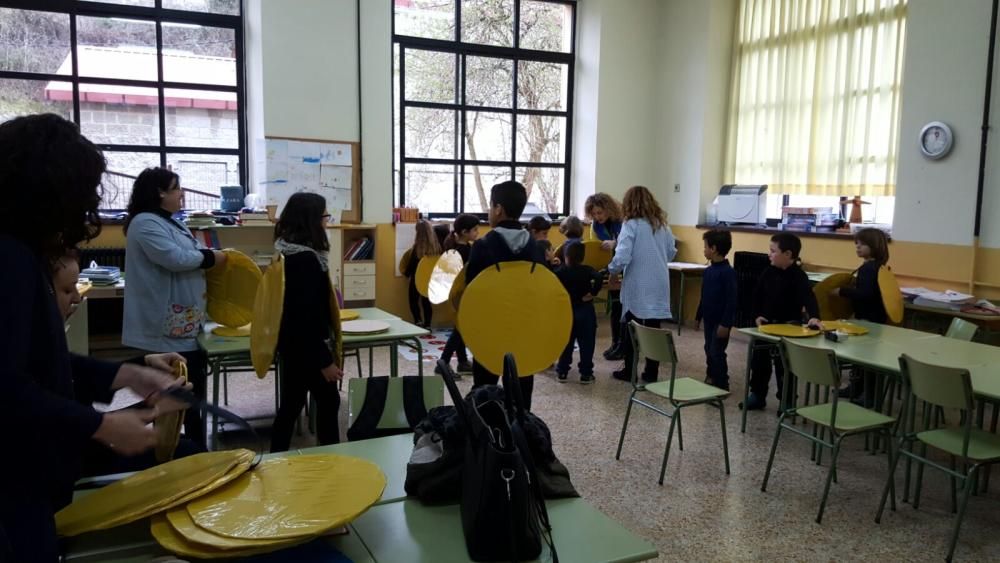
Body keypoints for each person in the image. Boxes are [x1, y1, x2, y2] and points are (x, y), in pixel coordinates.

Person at [0, 113, 186, 562]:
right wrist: (101, 425)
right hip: (12, 483)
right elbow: (5, 388)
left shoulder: (19, 252)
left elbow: (37, 360)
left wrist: (125, 374)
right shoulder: (8, 259)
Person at [52, 251, 204, 476]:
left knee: (190, 451)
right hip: (72, 467)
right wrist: (114, 424)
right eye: (67, 290)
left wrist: (142, 365)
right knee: (192, 458)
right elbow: (64, 421)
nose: (77, 297)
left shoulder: (41, 345)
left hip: (86, 453)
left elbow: (76, 382)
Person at [122, 167, 227, 448]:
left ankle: (193, 446)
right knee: (175, 393)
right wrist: (211, 258)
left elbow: (186, 253)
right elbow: (176, 258)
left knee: (191, 391)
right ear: (160, 192)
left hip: (183, 319)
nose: (182, 194)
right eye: (177, 188)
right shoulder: (145, 223)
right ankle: (174, 449)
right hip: (165, 324)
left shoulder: (169, 221)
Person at [269, 192, 344, 451]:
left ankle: (275, 454)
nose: (327, 221)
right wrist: (324, 361)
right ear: (311, 220)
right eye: (325, 216)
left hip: (292, 344)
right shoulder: (305, 260)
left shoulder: (285, 249)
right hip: (305, 347)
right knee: (327, 400)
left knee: (291, 404)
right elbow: (305, 316)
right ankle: (331, 456)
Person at [466, 181, 547, 411]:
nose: (489, 212)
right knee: (521, 394)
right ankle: (521, 437)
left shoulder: (483, 246)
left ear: (498, 209)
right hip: (525, 331)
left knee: (484, 392)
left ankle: (489, 440)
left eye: (490, 207)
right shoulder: (533, 246)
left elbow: (473, 291)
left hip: (490, 331)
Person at [743, 233, 821, 411]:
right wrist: (756, 315)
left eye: (773, 251)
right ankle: (757, 394)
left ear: (787, 254)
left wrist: (815, 316)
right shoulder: (768, 272)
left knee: (785, 366)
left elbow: (809, 299)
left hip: (788, 328)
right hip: (766, 326)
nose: (769, 254)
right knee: (759, 362)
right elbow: (756, 296)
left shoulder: (799, 277)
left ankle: (787, 400)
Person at [606, 186, 677, 383]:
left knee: (631, 327)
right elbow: (671, 251)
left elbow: (622, 255)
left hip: (638, 283)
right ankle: (651, 372)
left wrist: (611, 270)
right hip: (659, 282)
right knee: (653, 327)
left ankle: (629, 370)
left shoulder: (631, 224)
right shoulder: (662, 225)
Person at [830, 227, 890, 400]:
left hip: (869, 318)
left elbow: (865, 294)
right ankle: (856, 388)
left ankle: (868, 395)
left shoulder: (869, 268)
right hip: (873, 317)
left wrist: (842, 291)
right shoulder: (877, 266)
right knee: (861, 356)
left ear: (875, 246)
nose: (857, 247)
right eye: (856, 244)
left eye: (862, 244)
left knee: (867, 358)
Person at [694, 230, 738, 391]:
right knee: (708, 348)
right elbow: (703, 296)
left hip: (721, 323)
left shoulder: (728, 273)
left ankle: (722, 383)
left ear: (713, 249)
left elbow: (732, 301)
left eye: (705, 246)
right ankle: (711, 375)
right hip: (709, 320)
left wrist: (726, 324)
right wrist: (698, 317)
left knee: (717, 351)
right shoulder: (708, 271)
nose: (703, 250)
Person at [555, 242, 604, 384]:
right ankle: (586, 373)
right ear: (582, 257)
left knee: (566, 343)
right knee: (587, 344)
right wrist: (593, 292)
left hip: (567, 310)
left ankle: (562, 371)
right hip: (585, 310)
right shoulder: (587, 270)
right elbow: (599, 278)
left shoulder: (560, 271)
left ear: (566, 256)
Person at [437, 214, 479, 375]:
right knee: (460, 330)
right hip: (463, 294)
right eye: (474, 230)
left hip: (456, 294)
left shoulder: (453, 248)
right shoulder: (466, 251)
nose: (477, 233)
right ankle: (443, 362)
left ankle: (462, 362)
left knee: (460, 326)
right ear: (464, 232)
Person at [585, 193, 625, 360]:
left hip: (625, 267)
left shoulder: (622, 222)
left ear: (609, 209)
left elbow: (628, 244)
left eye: (600, 213)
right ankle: (616, 343)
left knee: (622, 308)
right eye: (594, 214)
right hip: (611, 267)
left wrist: (615, 244)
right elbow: (595, 248)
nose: (597, 217)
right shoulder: (596, 226)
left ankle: (623, 344)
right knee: (615, 306)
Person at [403, 220, 441, 328]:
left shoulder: (417, 248)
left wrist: (406, 274)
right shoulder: (436, 247)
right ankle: (428, 324)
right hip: (429, 280)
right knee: (426, 302)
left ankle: (418, 321)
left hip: (416, 279)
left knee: (413, 300)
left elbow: (411, 265)